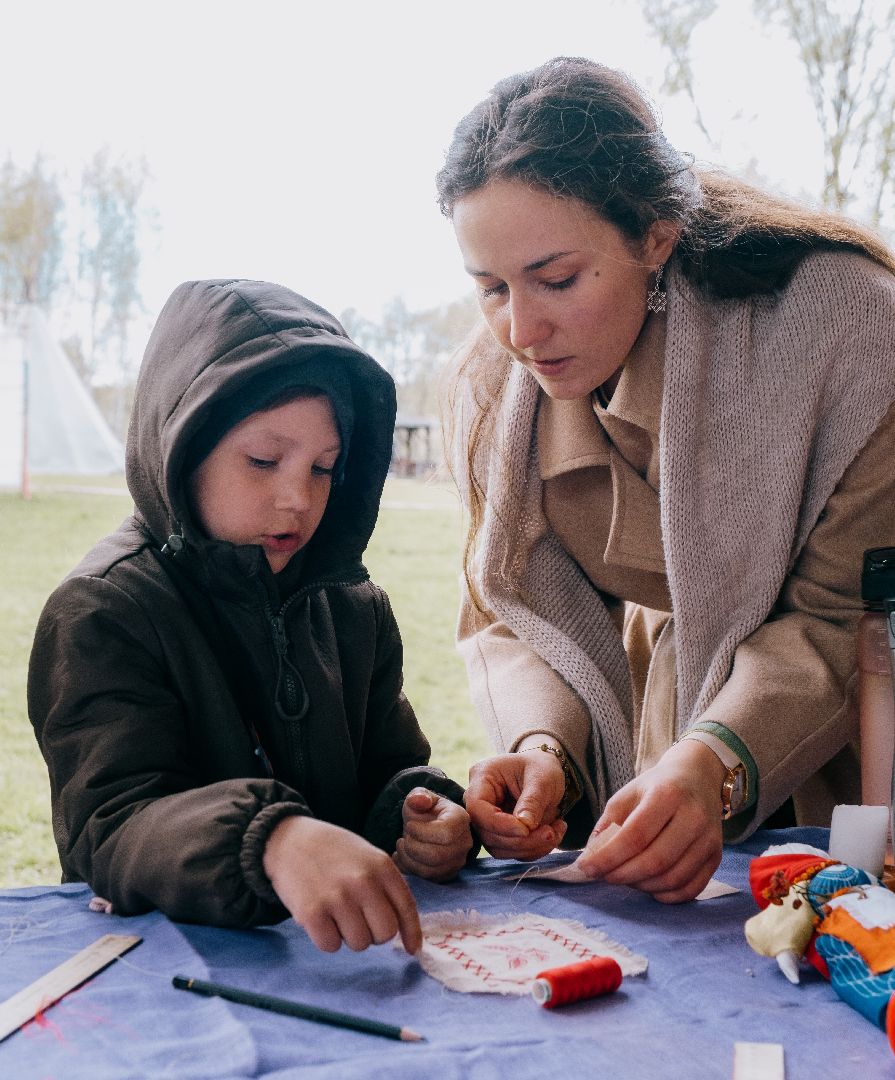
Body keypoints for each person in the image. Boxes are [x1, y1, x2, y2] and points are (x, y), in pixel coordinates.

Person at [436, 56, 895, 902]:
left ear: (655, 235)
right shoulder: (492, 388)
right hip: (667, 757)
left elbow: (845, 615)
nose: (520, 330)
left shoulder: (855, 340)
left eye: (557, 278)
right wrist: (543, 750)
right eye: (489, 287)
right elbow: (513, 609)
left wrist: (718, 758)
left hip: (855, 754)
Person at [28, 278, 474, 953]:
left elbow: (390, 767)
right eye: (263, 461)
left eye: (324, 468)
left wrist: (421, 814)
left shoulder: (353, 608)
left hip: (343, 960)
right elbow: (110, 829)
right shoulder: (105, 609)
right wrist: (269, 839)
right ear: (182, 448)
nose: (297, 496)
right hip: (173, 968)